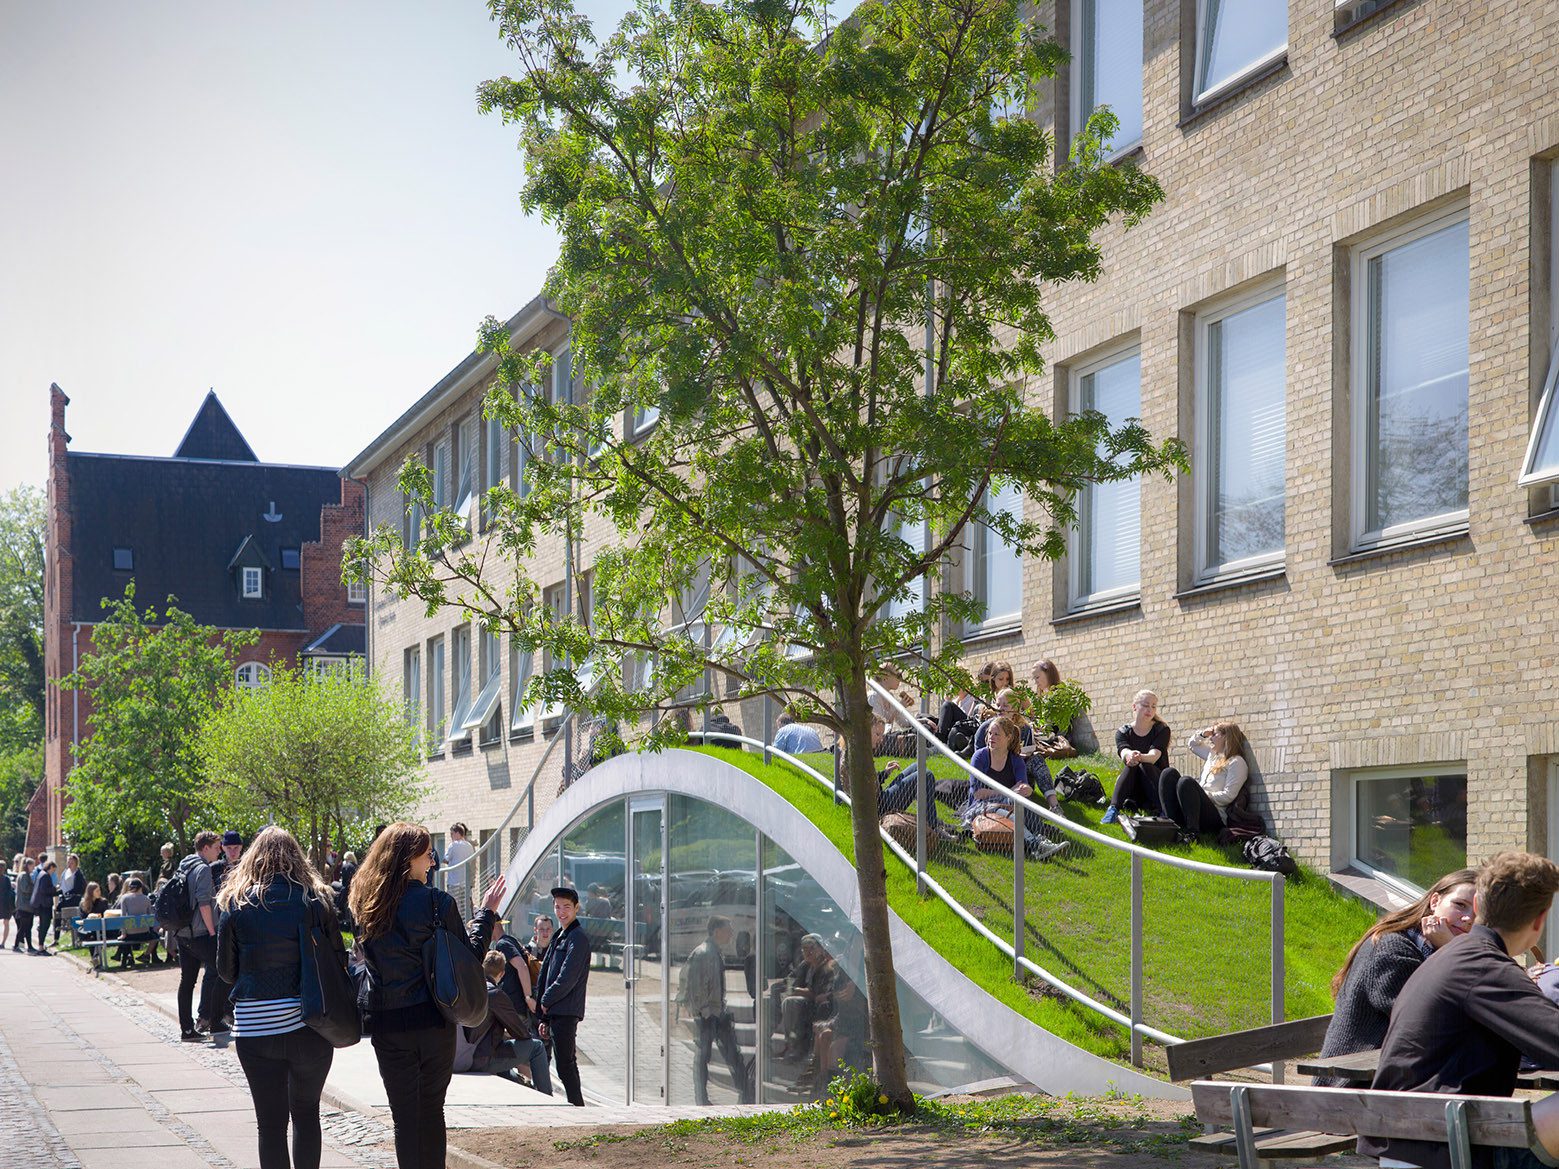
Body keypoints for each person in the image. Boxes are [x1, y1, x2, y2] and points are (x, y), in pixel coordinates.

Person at [1363, 851, 1559, 1169]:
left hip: (1411, 1146)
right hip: (1447, 1151)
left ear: (1479, 906)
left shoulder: (1454, 956)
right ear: (1539, 920)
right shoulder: (1484, 966)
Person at [349, 822, 502, 1169]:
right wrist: (487, 914)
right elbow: (468, 959)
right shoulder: (437, 903)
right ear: (408, 859)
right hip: (433, 1021)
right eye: (427, 854)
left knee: (404, 1118)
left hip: (388, 1024)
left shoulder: (365, 903)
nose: (432, 861)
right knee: (432, 1110)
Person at [215, 826, 347, 1169]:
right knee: (306, 1115)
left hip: (256, 1029)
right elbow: (338, 960)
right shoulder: (315, 900)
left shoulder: (237, 903)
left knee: (270, 1125)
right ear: (297, 857)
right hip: (311, 1022)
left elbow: (226, 971)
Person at [1313, 867, 1479, 1085]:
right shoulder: (1391, 949)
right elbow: (1434, 1021)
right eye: (1459, 905)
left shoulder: (1432, 949)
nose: (1468, 918)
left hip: (1394, 1083)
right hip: (1351, 1089)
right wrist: (1453, 951)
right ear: (1435, 901)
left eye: (1477, 914)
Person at [965, 717, 1066, 861]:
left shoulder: (1016, 760)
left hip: (1009, 801)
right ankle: (1035, 846)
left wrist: (1027, 790)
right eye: (989, 734)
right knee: (1012, 816)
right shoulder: (980, 756)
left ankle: (1042, 840)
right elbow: (978, 793)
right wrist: (1010, 792)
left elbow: (1023, 789)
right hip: (982, 806)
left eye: (996, 734)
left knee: (1026, 805)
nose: (990, 738)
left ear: (1008, 737)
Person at [452, 952, 552, 1094]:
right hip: (479, 1059)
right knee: (536, 1047)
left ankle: (520, 1087)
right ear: (502, 974)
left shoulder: (468, 989)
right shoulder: (495, 994)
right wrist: (510, 1035)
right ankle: (546, 1096)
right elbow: (521, 1033)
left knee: (504, 1055)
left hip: (456, 1056)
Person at [680, 914, 753, 1105]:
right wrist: (705, 1011)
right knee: (705, 1057)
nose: (731, 934)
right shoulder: (704, 953)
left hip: (717, 1013)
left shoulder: (713, 952)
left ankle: (747, 1095)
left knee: (732, 1056)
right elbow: (696, 986)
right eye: (728, 930)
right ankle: (703, 1099)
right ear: (717, 931)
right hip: (709, 1015)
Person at [534, 885, 592, 1107]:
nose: (561, 912)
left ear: (577, 908)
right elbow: (547, 972)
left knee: (566, 1063)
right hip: (555, 1010)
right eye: (557, 907)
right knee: (563, 1063)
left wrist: (546, 1001)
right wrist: (544, 1015)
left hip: (566, 1009)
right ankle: (575, 1105)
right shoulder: (561, 934)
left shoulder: (578, 938)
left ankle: (577, 1106)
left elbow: (567, 978)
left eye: (567, 907)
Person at [1155, 723, 1251, 843]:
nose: (1210, 738)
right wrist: (1203, 734)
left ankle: (1193, 833)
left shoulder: (1236, 762)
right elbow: (1193, 744)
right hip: (1195, 808)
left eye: (1214, 734)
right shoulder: (1213, 756)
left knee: (1186, 782)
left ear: (1226, 737)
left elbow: (1228, 796)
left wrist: (1202, 795)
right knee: (1168, 773)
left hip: (1215, 815)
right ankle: (1171, 826)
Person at [175, 831, 223, 1042]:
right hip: (200, 933)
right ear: (205, 848)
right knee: (223, 970)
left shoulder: (185, 863)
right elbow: (204, 904)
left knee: (187, 981)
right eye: (216, 847)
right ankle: (213, 1019)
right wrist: (213, 932)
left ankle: (187, 1029)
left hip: (182, 932)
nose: (219, 850)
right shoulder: (203, 869)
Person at [1102, 690, 1171, 825]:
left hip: (1156, 784)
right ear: (1134, 706)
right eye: (1145, 705)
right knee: (1132, 763)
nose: (1150, 709)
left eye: (1153, 706)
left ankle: (1164, 810)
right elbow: (1123, 752)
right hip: (1134, 788)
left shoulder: (1161, 729)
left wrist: (1138, 756)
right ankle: (1113, 809)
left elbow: (1153, 757)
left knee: (1143, 764)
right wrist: (1129, 755)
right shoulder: (1123, 731)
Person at [1028, 659, 1098, 756]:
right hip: (1044, 735)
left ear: (1048, 674)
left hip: (1055, 738)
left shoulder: (1061, 695)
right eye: (1034, 679)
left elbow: (1060, 729)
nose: (1036, 682)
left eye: (1037, 677)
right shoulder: (1041, 698)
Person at [485, 916, 536, 1018]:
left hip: (516, 1008)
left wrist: (528, 997)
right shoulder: (510, 940)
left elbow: (522, 967)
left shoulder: (503, 944)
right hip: (518, 1007)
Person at [115, 877, 158, 967]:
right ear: (141, 887)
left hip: (130, 934)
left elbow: (123, 917)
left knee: (124, 935)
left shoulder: (125, 898)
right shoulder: (146, 899)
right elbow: (150, 918)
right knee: (155, 937)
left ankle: (126, 959)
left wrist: (123, 934)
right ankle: (146, 954)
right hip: (144, 933)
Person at [443, 823, 474, 921]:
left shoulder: (453, 845)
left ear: (457, 833)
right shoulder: (469, 846)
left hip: (454, 882)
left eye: (452, 834)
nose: (451, 836)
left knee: (454, 906)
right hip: (466, 881)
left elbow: (446, 859)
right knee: (465, 907)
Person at [54, 853, 85, 943]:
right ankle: (56, 938)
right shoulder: (65, 872)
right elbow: (62, 885)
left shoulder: (78, 873)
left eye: (72, 862)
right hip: (64, 897)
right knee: (57, 911)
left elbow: (78, 888)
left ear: (76, 862)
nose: (69, 863)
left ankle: (78, 938)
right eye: (68, 861)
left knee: (60, 909)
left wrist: (68, 892)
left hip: (74, 898)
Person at [29, 858, 58, 954]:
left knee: (44, 924)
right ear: (50, 867)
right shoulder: (45, 876)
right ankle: (41, 947)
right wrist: (55, 889)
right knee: (45, 925)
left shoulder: (41, 874)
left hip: (41, 904)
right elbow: (44, 890)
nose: (53, 872)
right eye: (53, 870)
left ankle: (41, 945)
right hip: (44, 905)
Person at [13, 856, 36, 953]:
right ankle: (16, 946)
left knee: (28, 927)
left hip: (27, 906)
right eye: (32, 866)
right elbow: (25, 889)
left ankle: (30, 946)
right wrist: (34, 887)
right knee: (23, 927)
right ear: (27, 865)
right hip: (24, 906)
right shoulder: (23, 875)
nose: (33, 868)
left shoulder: (27, 875)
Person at [0, 859, 13, 950]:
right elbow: (10, 892)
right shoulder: (6, 879)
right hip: (5, 904)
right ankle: (3, 943)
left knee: (6, 923)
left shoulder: (6, 879)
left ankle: (3, 943)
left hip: (4, 903)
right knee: (6, 923)